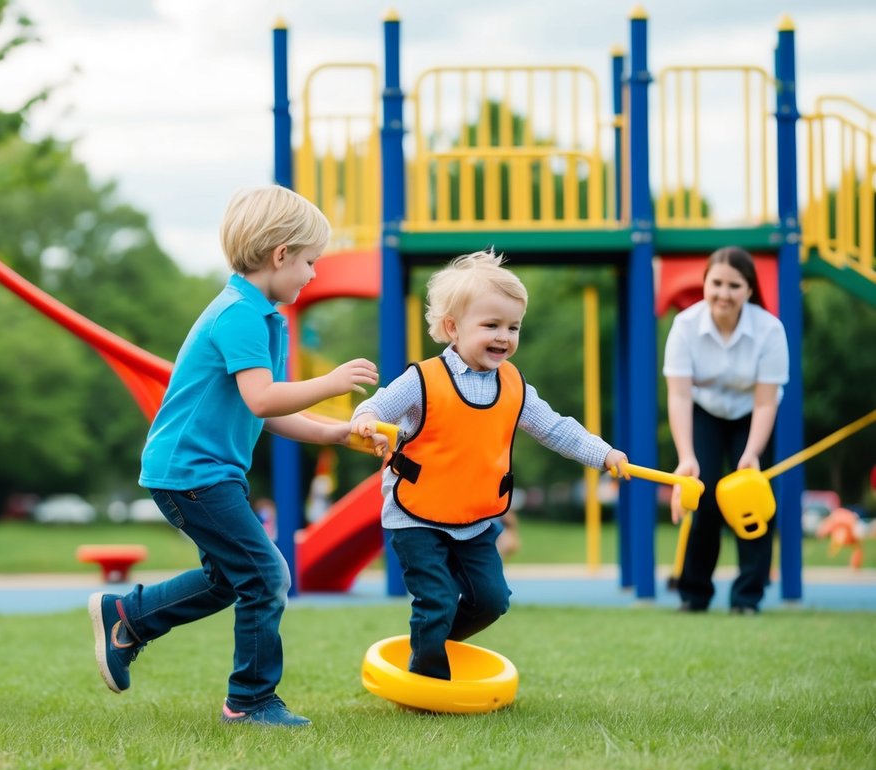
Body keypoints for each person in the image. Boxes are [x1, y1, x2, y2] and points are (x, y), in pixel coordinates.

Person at [88, 185, 379, 727]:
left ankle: (128, 616)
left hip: (207, 473)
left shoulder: (264, 318)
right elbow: (264, 398)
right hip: (190, 472)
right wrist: (332, 382)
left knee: (234, 577)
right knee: (268, 574)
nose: (314, 275)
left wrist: (337, 435)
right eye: (311, 262)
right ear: (281, 255)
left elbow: (265, 413)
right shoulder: (238, 316)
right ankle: (249, 700)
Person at [352, 250, 629, 680]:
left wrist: (603, 454)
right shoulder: (423, 379)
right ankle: (427, 680)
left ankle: (430, 642)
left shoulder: (514, 386)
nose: (504, 336)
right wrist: (367, 421)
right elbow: (374, 406)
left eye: (513, 326)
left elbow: (556, 429)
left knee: (491, 599)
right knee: (438, 599)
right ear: (452, 328)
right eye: (491, 325)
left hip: (476, 519)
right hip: (416, 516)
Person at [663, 246, 789, 614]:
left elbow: (767, 401)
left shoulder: (769, 330)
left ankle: (748, 597)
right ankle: (694, 594)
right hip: (702, 412)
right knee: (702, 497)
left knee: (753, 500)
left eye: (734, 285)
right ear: (705, 284)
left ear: (749, 289)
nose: (723, 293)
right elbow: (679, 396)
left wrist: (751, 454)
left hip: (753, 415)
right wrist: (686, 456)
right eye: (716, 283)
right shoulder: (685, 326)